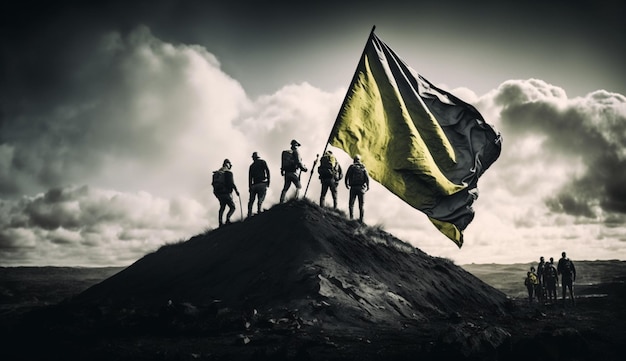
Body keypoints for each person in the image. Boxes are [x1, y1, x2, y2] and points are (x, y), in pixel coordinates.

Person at [212, 159, 240, 226]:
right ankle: (228, 219)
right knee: (232, 207)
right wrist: (236, 191)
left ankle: (220, 222)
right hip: (226, 192)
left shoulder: (219, 172)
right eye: (230, 164)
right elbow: (231, 183)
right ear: (228, 164)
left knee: (222, 207)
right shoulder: (228, 172)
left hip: (218, 193)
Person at [345, 154, 369, 222]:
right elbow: (367, 178)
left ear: (354, 160)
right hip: (361, 188)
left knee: (351, 204)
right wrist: (368, 186)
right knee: (361, 205)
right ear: (359, 160)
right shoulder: (363, 167)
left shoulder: (352, 167)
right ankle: (361, 220)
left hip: (353, 187)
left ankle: (351, 218)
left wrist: (346, 184)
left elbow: (347, 176)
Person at [247, 152, 270, 217]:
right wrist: (268, 181)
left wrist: (250, 187)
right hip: (262, 183)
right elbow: (267, 171)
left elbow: (250, 177)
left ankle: (249, 214)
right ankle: (259, 210)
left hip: (254, 185)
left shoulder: (251, 166)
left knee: (251, 201)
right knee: (261, 198)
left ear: (253, 158)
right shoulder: (262, 162)